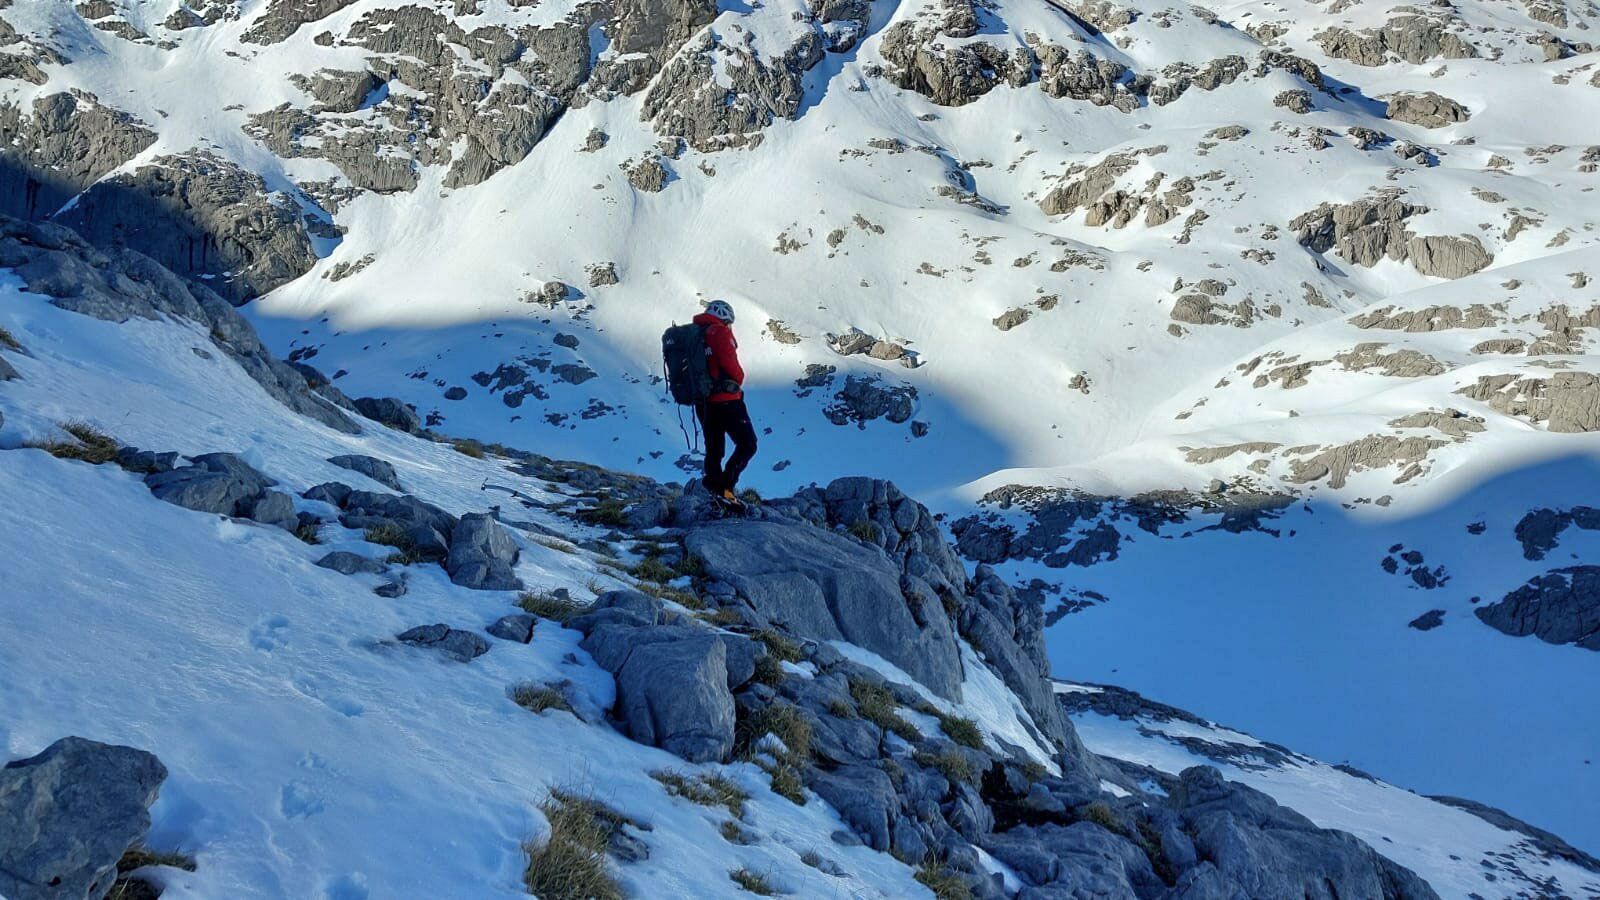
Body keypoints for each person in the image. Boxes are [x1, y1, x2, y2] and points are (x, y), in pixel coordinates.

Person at [693, 300, 757, 505]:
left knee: (714, 449)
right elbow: (734, 370)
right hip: (727, 401)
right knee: (748, 444)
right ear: (725, 318)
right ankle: (727, 488)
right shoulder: (719, 333)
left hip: (704, 403)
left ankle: (714, 487)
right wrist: (739, 378)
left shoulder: (695, 334)